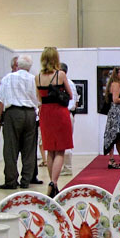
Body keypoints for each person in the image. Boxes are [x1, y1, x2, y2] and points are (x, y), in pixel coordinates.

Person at [0, 55, 38, 190]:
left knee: (10, 148)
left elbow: (1, 99)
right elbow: (38, 99)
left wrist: (0, 115)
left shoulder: (8, 78)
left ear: (17, 65)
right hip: (30, 114)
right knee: (29, 149)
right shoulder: (34, 79)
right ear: (29, 67)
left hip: (13, 113)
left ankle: (11, 180)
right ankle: (26, 180)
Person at [36, 47, 73, 197]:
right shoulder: (60, 75)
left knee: (50, 149)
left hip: (46, 113)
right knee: (60, 150)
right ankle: (54, 182)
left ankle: (52, 181)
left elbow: (39, 98)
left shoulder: (38, 77)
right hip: (59, 112)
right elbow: (70, 95)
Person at [60, 62, 79, 176]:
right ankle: (66, 166)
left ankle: (67, 167)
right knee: (65, 141)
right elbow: (76, 102)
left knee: (65, 142)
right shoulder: (71, 83)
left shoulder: (65, 83)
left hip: (64, 114)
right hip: (68, 114)